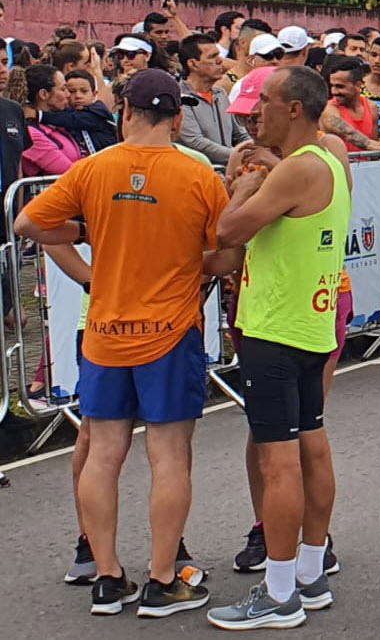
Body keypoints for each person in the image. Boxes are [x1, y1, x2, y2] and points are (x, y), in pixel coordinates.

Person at [16, 69, 232, 618]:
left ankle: (107, 576)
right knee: (169, 456)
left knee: (103, 453)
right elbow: (226, 255)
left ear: (124, 113)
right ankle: (163, 579)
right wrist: (187, 262)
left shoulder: (92, 169)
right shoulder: (199, 174)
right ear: (179, 119)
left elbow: (29, 222)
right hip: (171, 332)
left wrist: (89, 255)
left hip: (107, 332)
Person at [209, 67, 352, 629]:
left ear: (294, 108)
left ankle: (279, 590)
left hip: (274, 328)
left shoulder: (295, 170)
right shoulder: (330, 159)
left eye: (264, 102)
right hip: (311, 323)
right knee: (311, 446)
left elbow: (227, 233)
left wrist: (241, 186)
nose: (253, 113)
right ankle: (311, 574)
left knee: (278, 461)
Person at [178, 33, 248, 166]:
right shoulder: (180, 97)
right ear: (193, 64)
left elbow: (239, 134)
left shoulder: (221, 94)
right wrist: (240, 155)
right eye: (212, 57)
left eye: (218, 55)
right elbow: (195, 142)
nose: (220, 61)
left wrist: (253, 149)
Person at [20, 65, 82, 178]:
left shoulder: (55, 124)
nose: (68, 95)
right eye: (63, 89)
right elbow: (69, 173)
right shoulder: (31, 133)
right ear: (43, 94)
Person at [321, 57, 380, 153]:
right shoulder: (328, 109)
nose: (334, 91)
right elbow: (349, 133)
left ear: (358, 85)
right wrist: (379, 146)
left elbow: (375, 148)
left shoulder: (372, 107)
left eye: (340, 86)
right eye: (332, 86)